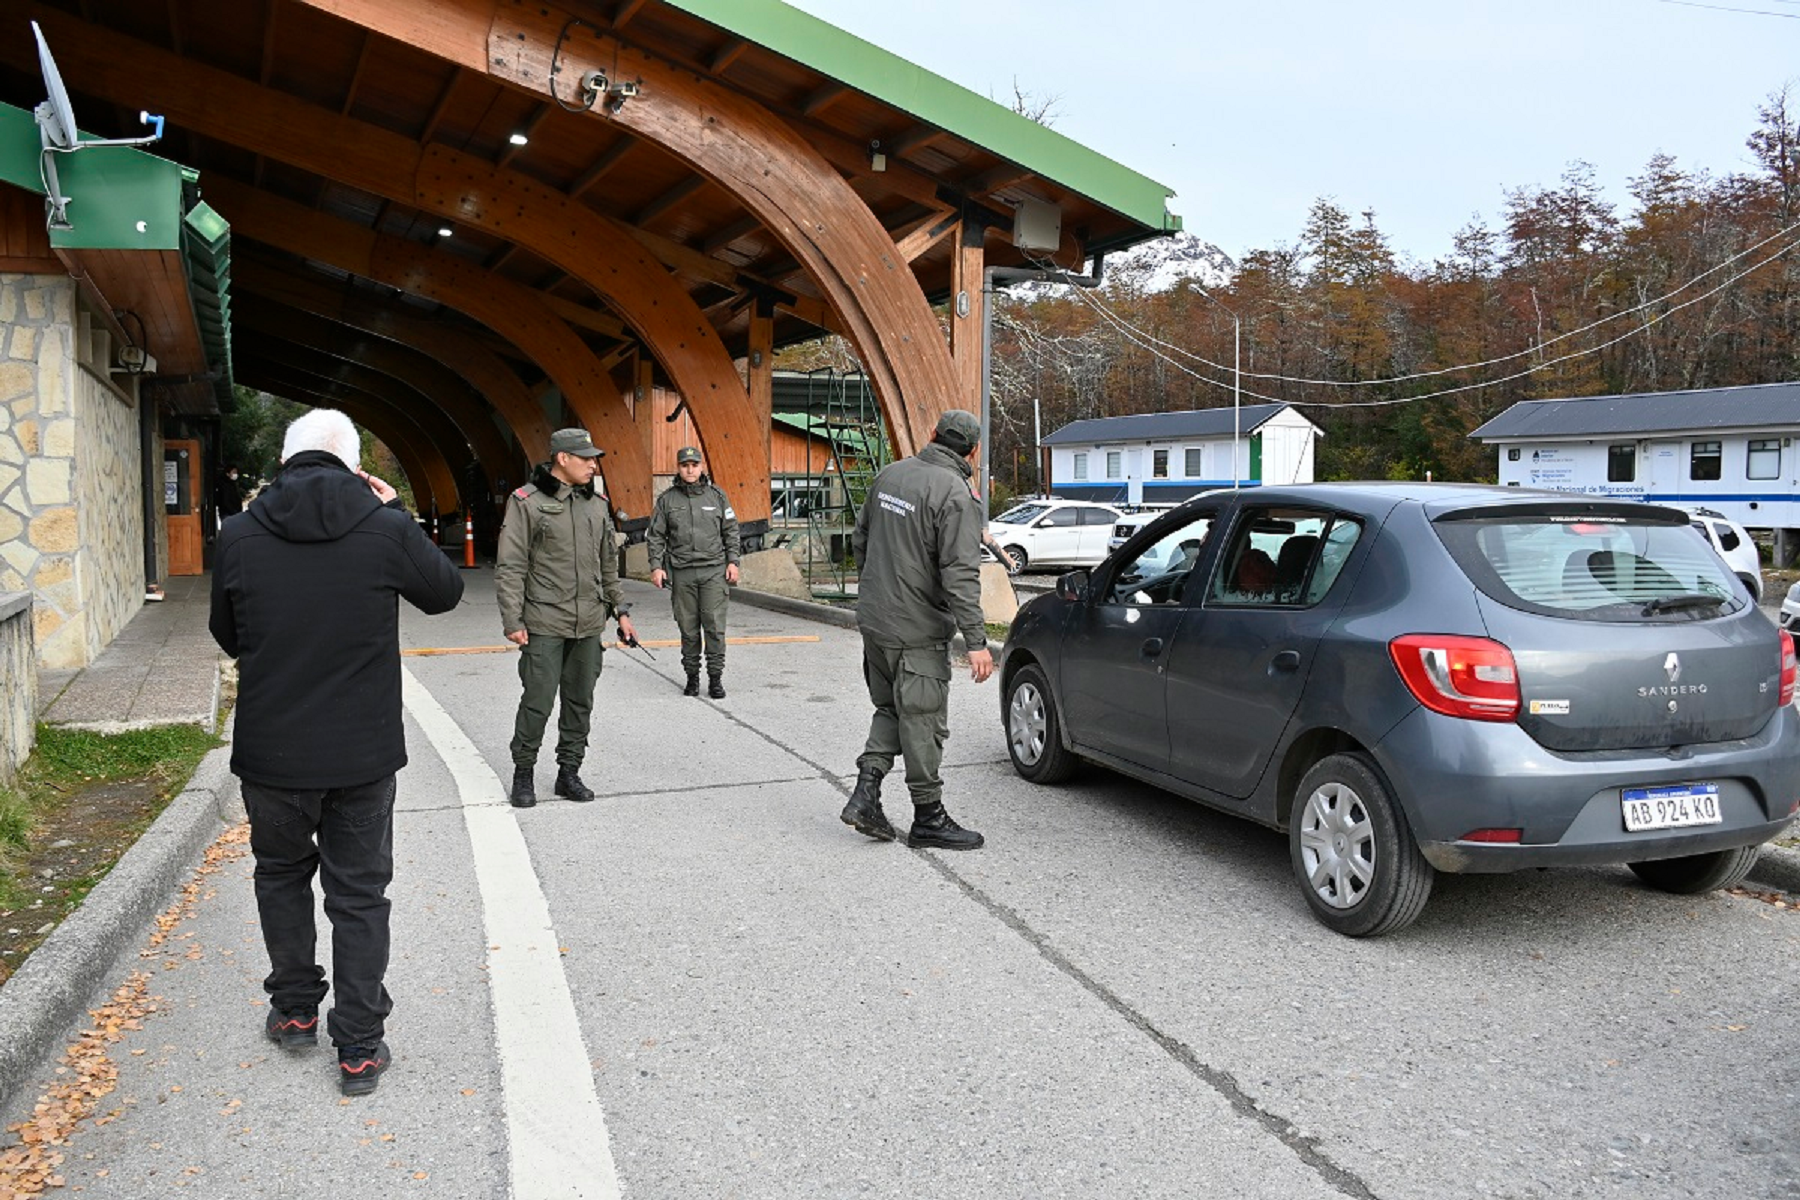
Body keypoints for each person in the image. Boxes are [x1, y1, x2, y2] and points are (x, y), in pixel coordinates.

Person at [209, 408, 463, 1097]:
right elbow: (445, 593)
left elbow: (227, 633)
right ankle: (358, 1047)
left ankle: (294, 1012)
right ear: (355, 466)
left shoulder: (238, 534)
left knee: (280, 877)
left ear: (287, 460)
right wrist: (400, 514)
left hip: (272, 752)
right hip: (361, 753)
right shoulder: (382, 528)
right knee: (359, 896)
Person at [839, 409, 995, 851]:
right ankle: (929, 817)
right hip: (917, 630)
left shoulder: (891, 474)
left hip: (875, 621)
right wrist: (978, 644)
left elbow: (861, 539)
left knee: (890, 709)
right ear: (973, 450)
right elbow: (960, 576)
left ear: (933, 435)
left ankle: (865, 793)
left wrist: (876, 591)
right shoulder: (957, 495)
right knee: (923, 720)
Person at [495, 427, 637, 808]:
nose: (593, 464)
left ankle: (568, 772)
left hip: (589, 622)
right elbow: (510, 565)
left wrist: (620, 610)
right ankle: (523, 772)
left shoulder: (597, 503)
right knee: (537, 701)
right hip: (544, 621)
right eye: (585, 457)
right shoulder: (526, 501)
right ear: (562, 459)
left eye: (594, 458)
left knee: (580, 702)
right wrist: (513, 619)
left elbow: (608, 564)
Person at [647, 446, 741, 698]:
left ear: (701, 467)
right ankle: (691, 677)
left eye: (694, 465)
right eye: (685, 465)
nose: (690, 470)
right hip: (682, 573)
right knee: (688, 629)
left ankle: (715, 679)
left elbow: (731, 531)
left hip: (713, 571)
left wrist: (734, 562)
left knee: (714, 626)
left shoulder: (717, 496)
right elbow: (655, 536)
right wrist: (656, 566)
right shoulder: (667, 500)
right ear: (678, 468)